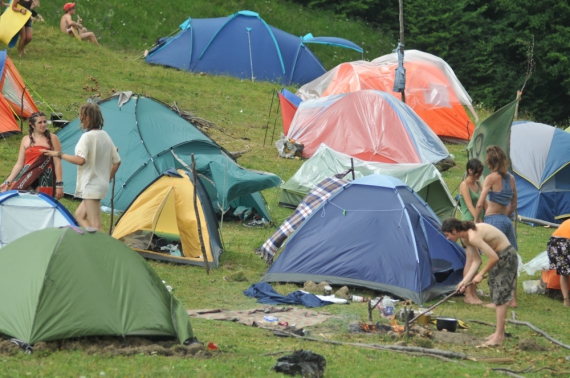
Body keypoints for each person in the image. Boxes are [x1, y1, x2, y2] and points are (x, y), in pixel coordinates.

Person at [42, 103, 120, 231]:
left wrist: (59, 154)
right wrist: (107, 178)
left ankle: (100, 248)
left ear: (87, 118)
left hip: (91, 186)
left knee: (96, 225)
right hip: (99, 186)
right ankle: (93, 243)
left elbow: (80, 160)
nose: (80, 119)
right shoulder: (105, 135)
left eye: (81, 116)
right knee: (79, 215)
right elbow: (117, 161)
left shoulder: (87, 137)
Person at [442, 218, 517, 346]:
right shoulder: (465, 238)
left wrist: (481, 274)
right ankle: (499, 333)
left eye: (447, 235)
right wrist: (464, 282)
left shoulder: (473, 236)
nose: (447, 238)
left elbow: (494, 257)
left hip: (506, 256)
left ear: (454, 230)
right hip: (498, 257)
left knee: (500, 298)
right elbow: (477, 261)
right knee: (496, 296)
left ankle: (499, 336)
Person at [474, 145, 519, 308]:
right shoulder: (511, 178)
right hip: (506, 221)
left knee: (495, 258)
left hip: (493, 220)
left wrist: (475, 220)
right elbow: (513, 203)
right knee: (511, 257)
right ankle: (512, 299)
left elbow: (480, 202)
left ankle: (497, 300)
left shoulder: (491, 178)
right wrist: (506, 216)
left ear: (490, 162)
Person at [1, 112, 64, 199]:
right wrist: (7, 182)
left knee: (42, 204)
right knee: (17, 199)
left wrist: (59, 185)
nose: (43, 124)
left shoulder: (53, 138)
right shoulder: (25, 139)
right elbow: (19, 164)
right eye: (40, 122)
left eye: (45, 122)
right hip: (27, 175)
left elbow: (57, 163)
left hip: (45, 177)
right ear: (32, 125)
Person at [458, 158, 487, 304]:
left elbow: (484, 200)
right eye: (478, 172)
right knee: (471, 259)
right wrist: (477, 220)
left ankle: (473, 292)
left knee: (477, 258)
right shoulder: (464, 185)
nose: (479, 174)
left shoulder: (478, 183)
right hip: (469, 222)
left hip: (479, 222)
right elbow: (469, 206)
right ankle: (468, 294)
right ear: (470, 171)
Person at [546, 218, 570, 307]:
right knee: (565, 271)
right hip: (566, 242)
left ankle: (566, 301)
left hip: (553, 242)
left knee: (564, 272)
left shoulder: (567, 221)